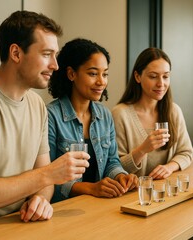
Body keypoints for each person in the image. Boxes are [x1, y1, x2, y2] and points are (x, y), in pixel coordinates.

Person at [0, 11, 91, 223]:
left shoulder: (37, 105)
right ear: (16, 53)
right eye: (47, 54)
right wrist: (48, 175)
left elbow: (44, 182)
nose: (55, 65)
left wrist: (39, 200)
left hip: (20, 224)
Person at [47, 38, 138, 202]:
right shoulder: (50, 116)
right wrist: (91, 188)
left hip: (97, 207)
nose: (101, 81)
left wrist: (121, 176)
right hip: (62, 211)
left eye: (105, 74)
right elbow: (46, 178)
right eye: (93, 73)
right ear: (71, 74)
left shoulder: (105, 115)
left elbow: (112, 161)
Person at [111, 47, 193, 179]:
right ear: (137, 76)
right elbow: (114, 168)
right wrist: (143, 149)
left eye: (166, 76)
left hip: (165, 191)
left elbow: (186, 153)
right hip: (132, 194)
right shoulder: (120, 114)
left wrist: (169, 167)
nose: (161, 83)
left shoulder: (174, 111)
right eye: (153, 76)